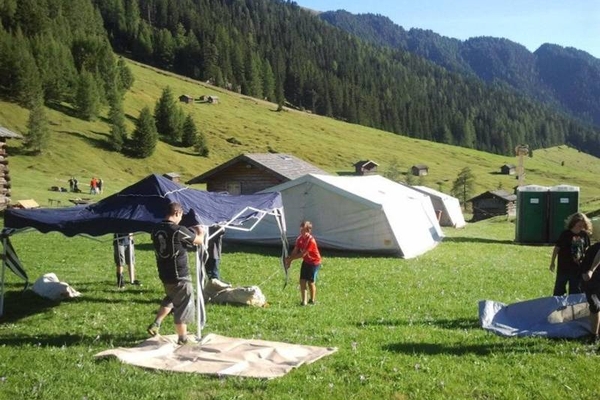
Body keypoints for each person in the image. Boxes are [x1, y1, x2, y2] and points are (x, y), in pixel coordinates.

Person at [147, 202, 204, 345]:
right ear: (177, 213)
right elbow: (199, 241)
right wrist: (200, 230)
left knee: (171, 298)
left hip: (165, 274)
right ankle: (182, 338)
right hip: (180, 274)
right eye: (181, 216)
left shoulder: (155, 229)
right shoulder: (178, 230)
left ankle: (157, 322)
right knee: (184, 304)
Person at [549, 212, 592, 296]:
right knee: (559, 290)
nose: (581, 226)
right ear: (574, 222)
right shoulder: (565, 234)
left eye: (582, 224)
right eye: (579, 224)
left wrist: (587, 265)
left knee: (576, 290)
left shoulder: (584, 235)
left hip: (578, 268)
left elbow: (587, 250)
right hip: (564, 266)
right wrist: (552, 262)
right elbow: (557, 248)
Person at [284, 220, 322, 306]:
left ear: (308, 231)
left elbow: (302, 254)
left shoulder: (311, 241)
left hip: (314, 262)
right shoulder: (299, 239)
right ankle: (304, 301)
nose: (301, 232)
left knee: (310, 282)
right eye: (300, 230)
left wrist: (290, 259)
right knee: (302, 281)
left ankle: (312, 300)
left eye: (303, 230)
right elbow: (295, 250)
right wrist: (290, 259)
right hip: (306, 261)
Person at [580, 242, 600, 343]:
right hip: (592, 282)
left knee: (596, 306)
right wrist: (587, 272)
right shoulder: (593, 248)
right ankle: (594, 335)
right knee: (595, 306)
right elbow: (584, 264)